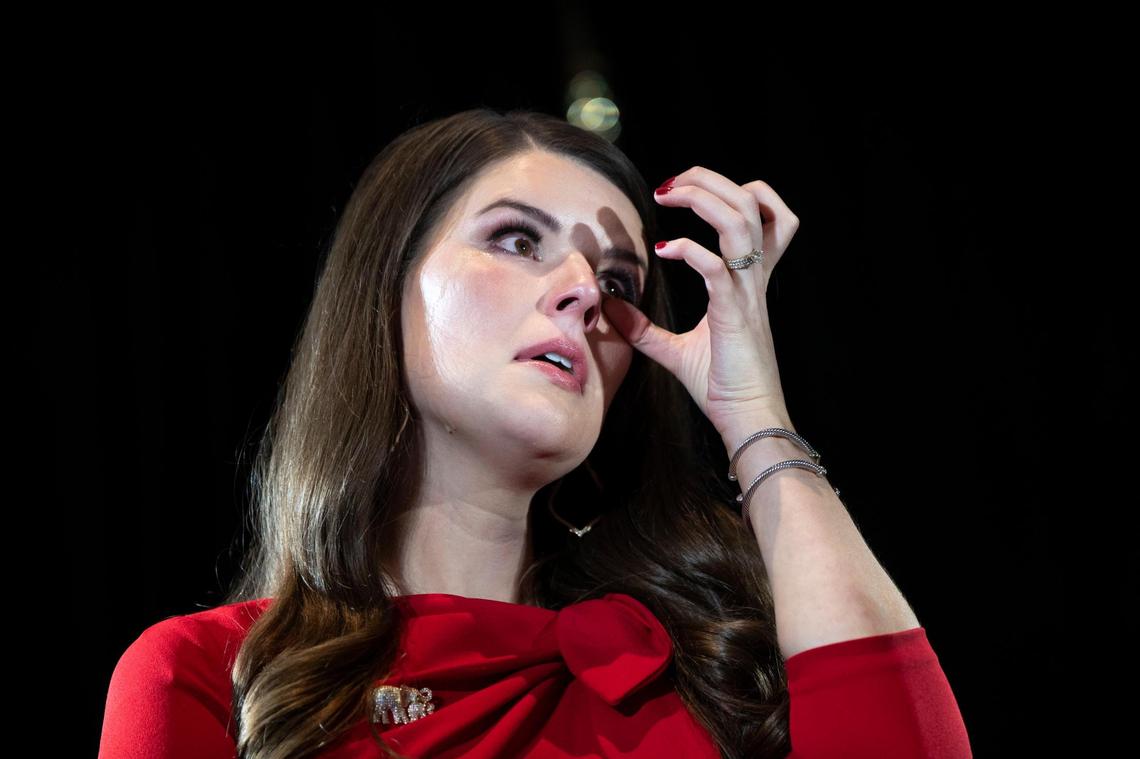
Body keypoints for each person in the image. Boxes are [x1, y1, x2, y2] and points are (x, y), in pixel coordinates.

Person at [98, 108, 973, 758]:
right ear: (386, 285)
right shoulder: (207, 677)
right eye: (517, 238)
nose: (583, 289)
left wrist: (755, 416)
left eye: (619, 278)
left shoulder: (712, 671)